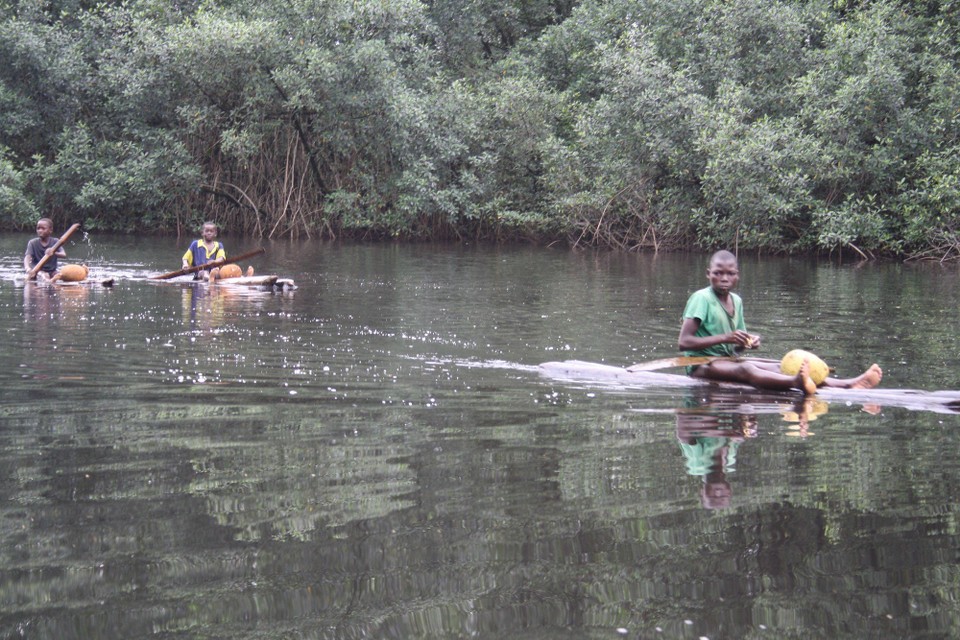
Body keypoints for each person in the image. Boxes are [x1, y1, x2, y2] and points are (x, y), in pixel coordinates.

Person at [678, 250, 883, 395]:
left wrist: (746, 342)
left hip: (726, 361)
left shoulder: (737, 301)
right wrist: (726, 337)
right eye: (718, 273)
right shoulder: (702, 298)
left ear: (737, 276)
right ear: (708, 274)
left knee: (781, 365)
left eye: (730, 273)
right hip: (700, 365)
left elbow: (737, 350)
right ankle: (797, 383)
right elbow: (684, 342)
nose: (724, 278)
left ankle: (848, 384)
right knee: (747, 369)